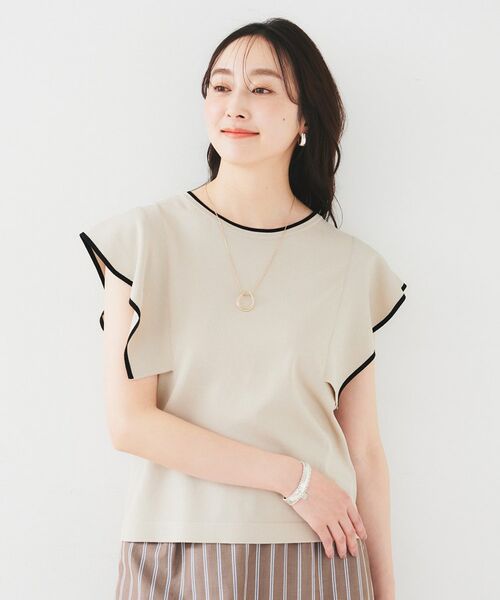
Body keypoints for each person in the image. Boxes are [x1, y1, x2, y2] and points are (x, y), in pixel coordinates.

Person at [79, 17, 407, 600]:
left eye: (261, 88)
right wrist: (294, 479)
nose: (235, 105)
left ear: (305, 120)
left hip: (319, 556)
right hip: (173, 553)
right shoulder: (143, 242)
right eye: (221, 86)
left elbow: (365, 453)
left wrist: (385, 594)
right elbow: (130, 424)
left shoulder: (351, 267)